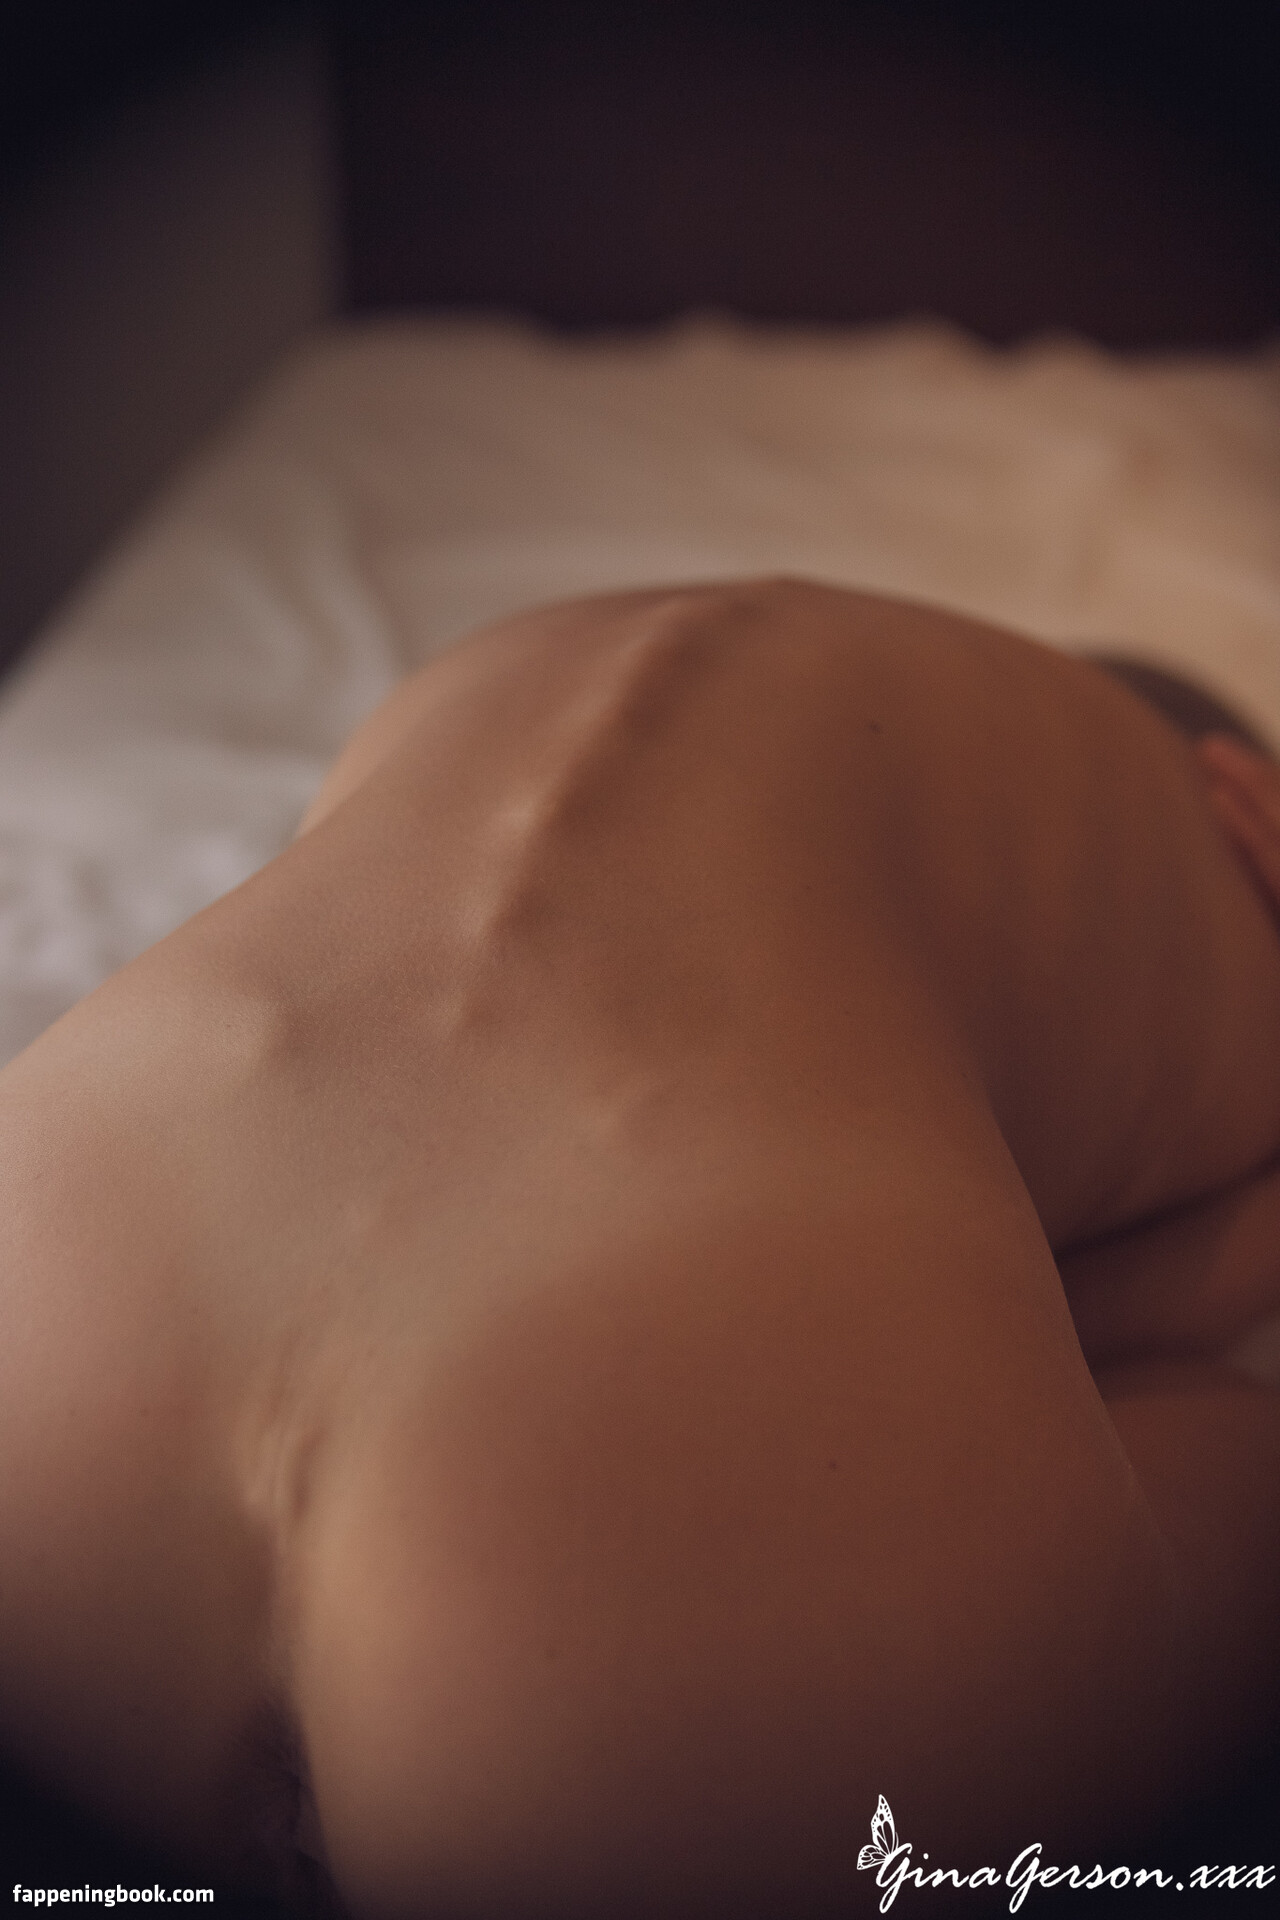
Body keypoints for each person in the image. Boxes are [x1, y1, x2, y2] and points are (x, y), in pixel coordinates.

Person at [1, 578, 1279, 1918]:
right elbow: (1128, 1293)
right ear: (1241, 778)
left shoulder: (514, 665)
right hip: (667, 1536)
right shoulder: (1210, 859)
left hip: (64, 1251)